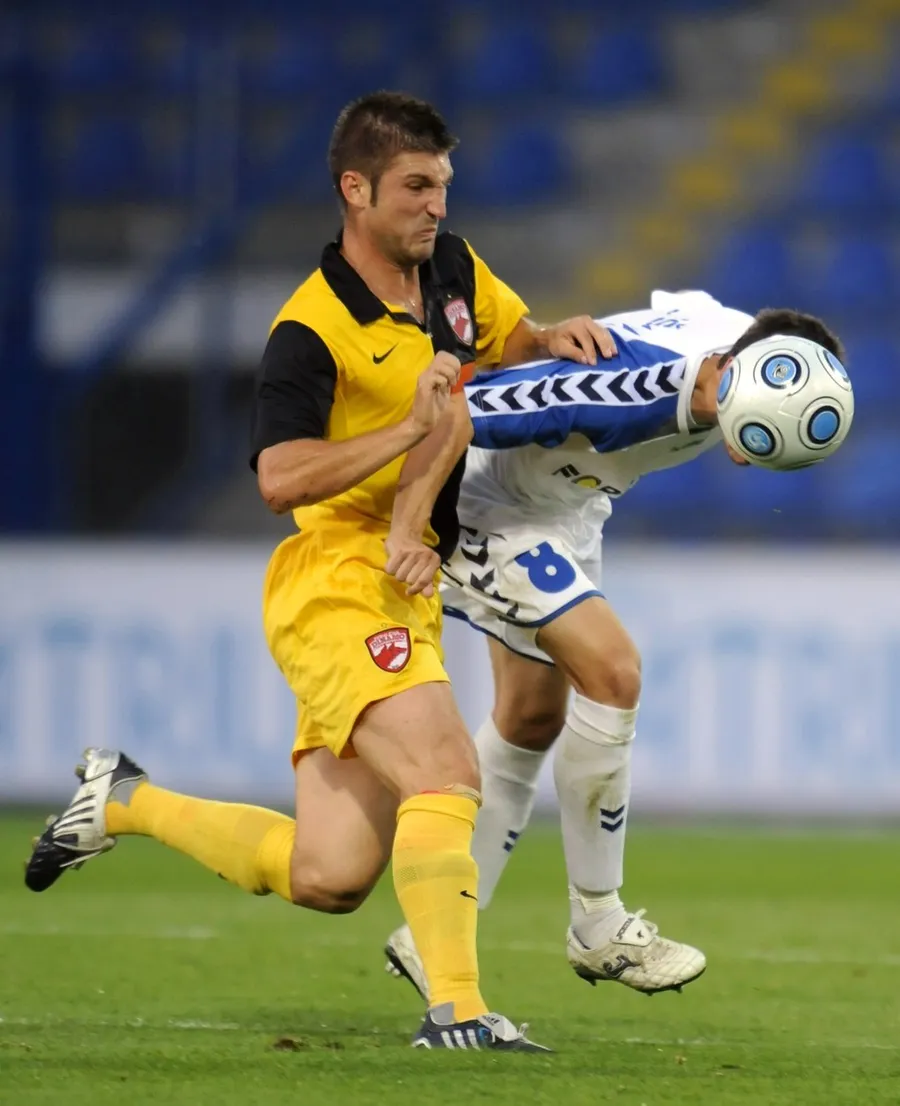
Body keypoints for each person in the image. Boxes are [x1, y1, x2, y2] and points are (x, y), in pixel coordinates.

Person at [23, 91, 617, 1053]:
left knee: (330, 876)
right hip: (338, 579)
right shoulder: (308, 329)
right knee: (445, 771)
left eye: (443, 185)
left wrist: (552, 338)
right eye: (415, 187)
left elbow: (506, 339)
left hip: (409, 576)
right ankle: (458, 1013)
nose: (436, 205)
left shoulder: (453, 269)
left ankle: (125, 801)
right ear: (356, 190)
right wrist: (408, 429)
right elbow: (279, 477)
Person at [383, 291, 847, 1002]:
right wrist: (408, 531)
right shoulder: (626, 391)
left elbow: (684, 304)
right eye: (748, 436)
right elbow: (455, 413)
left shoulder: (743, 342)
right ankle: (598, 926)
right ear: (732, 373)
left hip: (567, 505)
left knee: (531, 716)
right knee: (614, 672)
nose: (743, 457)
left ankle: (430, 933)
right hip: (481, 502)